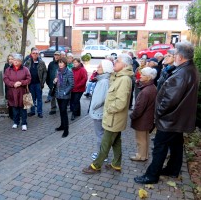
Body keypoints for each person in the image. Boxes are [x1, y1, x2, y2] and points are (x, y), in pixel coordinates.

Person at [134, 41, 199, 184]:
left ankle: (151, 175)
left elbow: (169, 100)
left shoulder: (181, 74)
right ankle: (172, 169)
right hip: (177, 118)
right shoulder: (188, 69)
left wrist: (158, 114)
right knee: (175, 144)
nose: (173, 57)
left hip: (170, 119)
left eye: (175, 55)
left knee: (160, 146)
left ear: (180, 57)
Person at [82, 54, 133, 174]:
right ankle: (116, 164)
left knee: (106, 143)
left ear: (124, 65)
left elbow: (120, 102)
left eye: (118, 61)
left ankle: (96, 166)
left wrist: (108, 109)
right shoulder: (119, 77)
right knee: (116, 142)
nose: (115, 62)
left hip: (114, 118)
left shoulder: (124, 79)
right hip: (114, 118)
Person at [129, 67, 157, 161]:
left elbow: (139, 108)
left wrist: (132, 116)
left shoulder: (146, 91)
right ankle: (144, 155)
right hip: (147, 118)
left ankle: (140, 156)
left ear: (149, 77)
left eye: (143, 74)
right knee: (145, 138)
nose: (141, 75)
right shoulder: (152, 87)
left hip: (142, 119)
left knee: (140, 139)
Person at [89, 60, 114, 160]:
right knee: (101, 134)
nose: (97, 68)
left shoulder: (103, 81)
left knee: (100, 134)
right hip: (100, 111)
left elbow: (99, 99)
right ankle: (102, 154)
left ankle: (102, 155)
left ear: (105, 68)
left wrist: (93, 107)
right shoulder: (104, 80)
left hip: (99, 111)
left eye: (100, 66)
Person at [3, 54, 31, 131]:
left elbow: (29, 79)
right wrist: (13, 84)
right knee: (14, 108)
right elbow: (5, 79)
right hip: (12, 92)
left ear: (21, 61)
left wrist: (21, 82)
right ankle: (16, 122)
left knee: (23, 109)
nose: (15, 61)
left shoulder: (25, 69)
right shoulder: (8, 69)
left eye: (17, 60)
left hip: (23, 91)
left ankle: (24, 123)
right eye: (14, 60)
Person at [54, 57, 74, 138]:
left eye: (62, 63)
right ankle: (62, 126)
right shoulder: (57, 71)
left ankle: (66, 130)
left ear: (65, 64)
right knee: (61, 111)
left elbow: (71, 84)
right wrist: (54, 81)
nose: (60, 64)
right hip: (58, 94)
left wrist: (65, 92)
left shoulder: (69, 72)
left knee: (63, 111)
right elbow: (56, 82)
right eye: (59, 63)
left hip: (65, 95)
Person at [24, 48, 47, 118]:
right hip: (30, 84)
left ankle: (40, 112)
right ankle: (32, 111)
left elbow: (45, 73)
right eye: (33, 53)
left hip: (38, 84)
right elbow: (24, 72)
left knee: (39, 99)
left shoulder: (41, 62)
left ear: (38, 54)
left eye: (36, 53)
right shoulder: (27, 62)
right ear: (31, 54)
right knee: (31, 98)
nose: (35, 54)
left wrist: (42, 82)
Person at [4, 54, 14, 120]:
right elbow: (6, 77)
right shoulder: (6, 66)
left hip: (14, 86)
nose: (10, 60)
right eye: (9, 59)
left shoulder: (15, 66)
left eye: (11, 59)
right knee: (10, 101)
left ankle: (16, 114)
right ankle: (11, 115)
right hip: (8, 86)